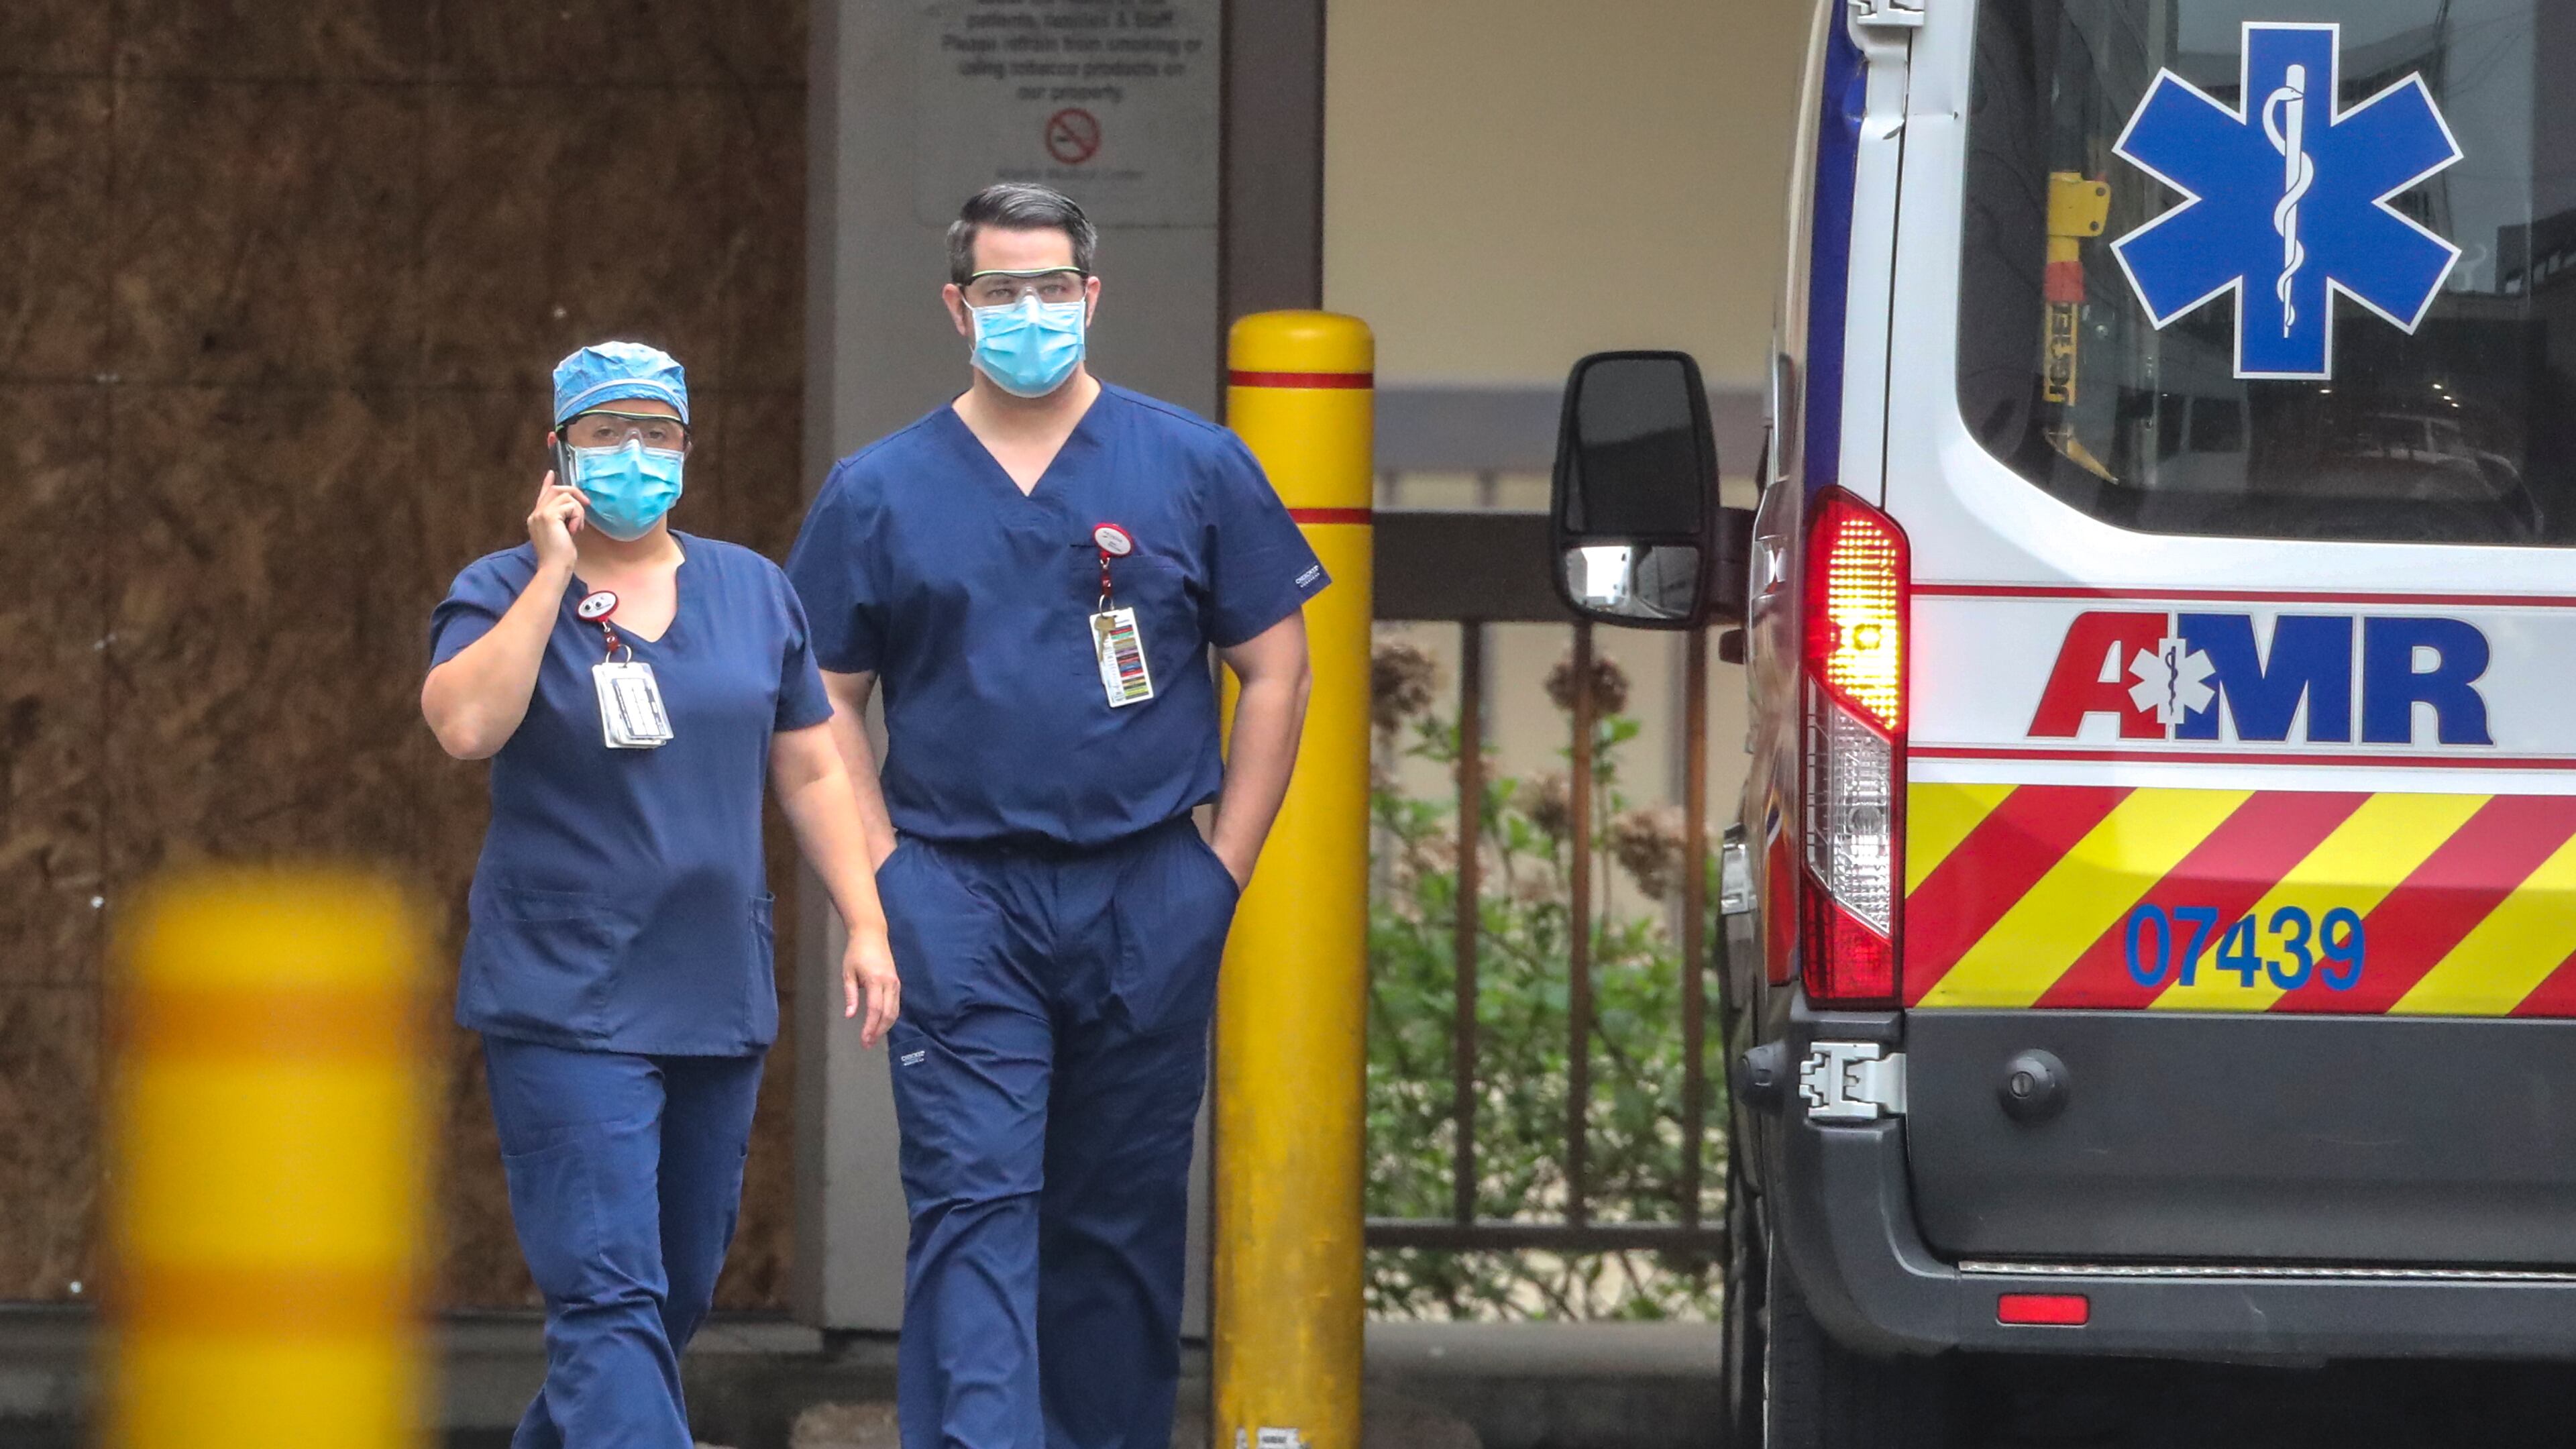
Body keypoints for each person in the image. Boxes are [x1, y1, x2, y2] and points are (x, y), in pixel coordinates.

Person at [785, 183, 1326, 1449]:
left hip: (1150, 889)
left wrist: (1220, 872)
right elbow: (821, 701)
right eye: (998, 290)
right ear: (955, 306)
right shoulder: (879, 491)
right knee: (973, 1202)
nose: (1026, 313)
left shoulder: (1193, 464)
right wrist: (887, 878)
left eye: (1049, 288)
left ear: (1090, 296)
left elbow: (1280, 667)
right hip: (960, 893)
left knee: (1119, 1215)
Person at [423, 341, 899, 1449]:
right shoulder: (499, 588)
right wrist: (552, 574)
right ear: (557, 453)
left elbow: (816, 767)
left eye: (658, 433)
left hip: (710, 992)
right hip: (565, 999)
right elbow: (464, 726)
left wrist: (868, 922)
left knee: (668, 1298)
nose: (633, 455)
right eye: (604, 434)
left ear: (689, 446)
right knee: (606, 1297)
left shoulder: (752, 589)